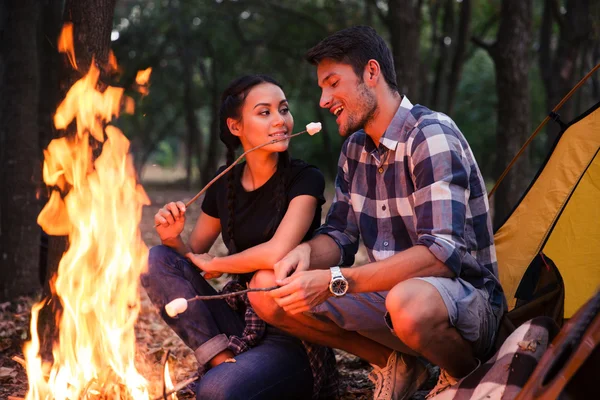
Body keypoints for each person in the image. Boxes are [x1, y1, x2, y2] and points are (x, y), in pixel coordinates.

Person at [248, 26, 506, 400]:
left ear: (372, 73)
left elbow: (440, 257)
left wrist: (335, 280)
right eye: (322, 87)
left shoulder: (430, 134)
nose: (323, 99)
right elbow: (339, 235)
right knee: (265, 288)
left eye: (332, 83)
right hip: (389, 298)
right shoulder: (354, 149)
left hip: (465, 303)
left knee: (408, 304)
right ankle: (395, 363)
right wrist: (305, 254)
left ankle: (466, 377)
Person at [141, 74, 338, 400]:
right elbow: (191, 261)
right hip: (237, 319)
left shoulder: (305, 179)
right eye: (265, 112)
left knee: (217, 392)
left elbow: (277, 252)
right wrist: (173, 238)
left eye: (284, 110)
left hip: (289, 330)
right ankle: (220, 358)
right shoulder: (224, 186)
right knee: (157, 259)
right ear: (236, 127)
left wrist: (219, 262)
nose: (281, 120)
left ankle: (228, 374)